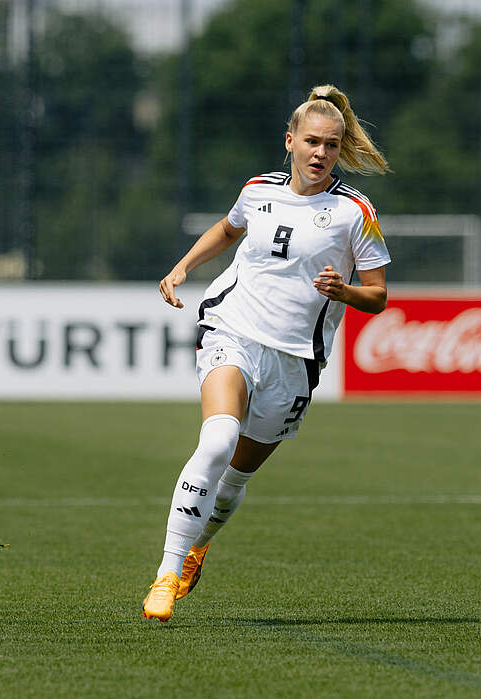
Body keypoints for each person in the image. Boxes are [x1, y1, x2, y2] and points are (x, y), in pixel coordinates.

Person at [142, 84, 390, 622]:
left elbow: (378, 296)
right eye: (311, 142)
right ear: (290, 142)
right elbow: (227, 229)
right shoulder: (258, 190)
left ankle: (198, 546)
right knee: (217, 439)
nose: (320, 153)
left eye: (331, 144)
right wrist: (183, 267)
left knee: (235, 479)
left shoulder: (355, 211)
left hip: (296, 360)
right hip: (232, 330)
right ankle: (165, 573)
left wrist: (344, 291)